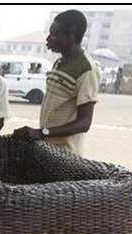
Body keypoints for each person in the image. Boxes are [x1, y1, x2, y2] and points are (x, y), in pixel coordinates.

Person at [13, 10, 100, 156]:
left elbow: (84, 123)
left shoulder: (87, 69)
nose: (48, 39)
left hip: (66, 154)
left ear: (70, 37)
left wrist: (43, 132)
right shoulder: (59, 62)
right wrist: (42, 134)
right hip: (48, 148)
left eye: (54, 35)